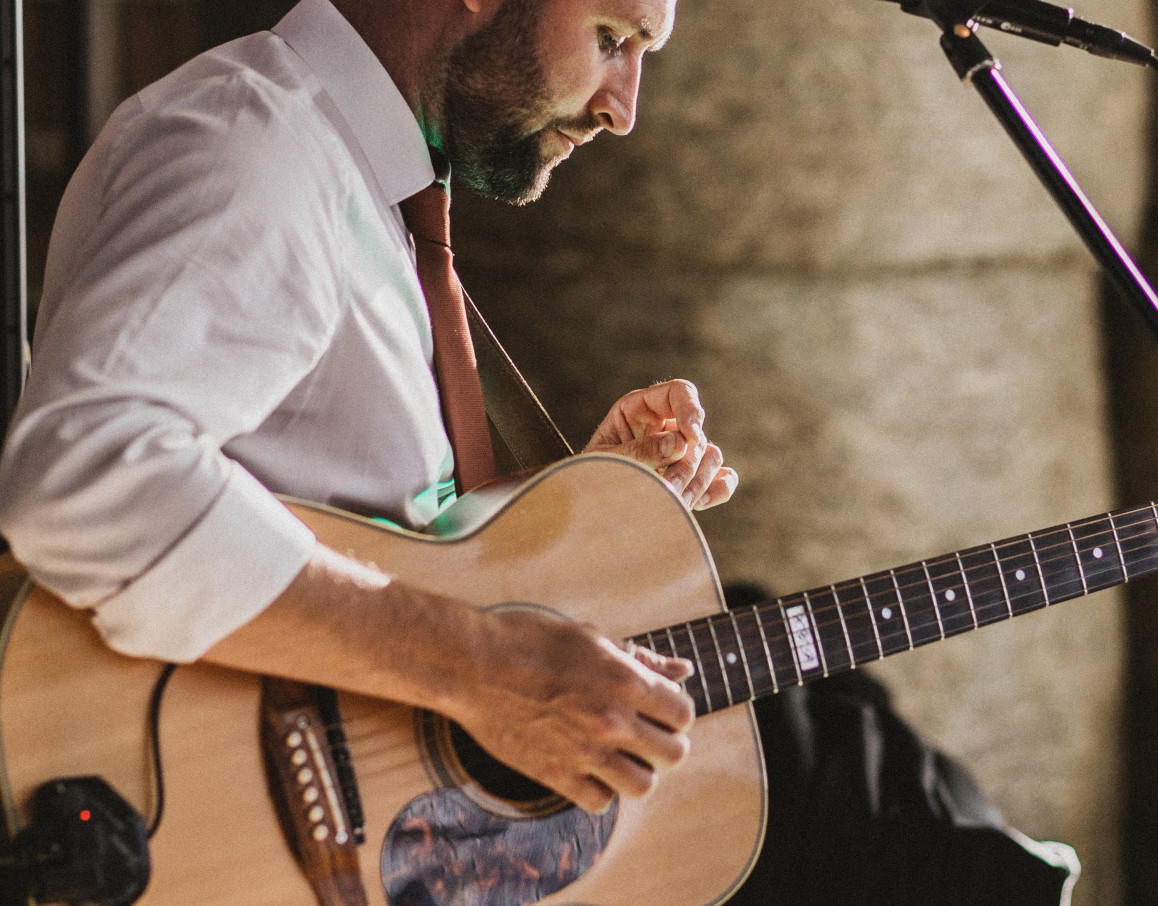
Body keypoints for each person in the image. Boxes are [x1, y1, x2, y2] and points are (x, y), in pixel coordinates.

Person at [0, 0, 738, 816]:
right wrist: (483, 666)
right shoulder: (254, 148)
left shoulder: (364, 185)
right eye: (611, 39)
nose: (622, 110)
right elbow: (86, 478)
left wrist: (571, 511)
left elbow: (367, 525)